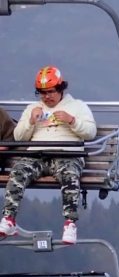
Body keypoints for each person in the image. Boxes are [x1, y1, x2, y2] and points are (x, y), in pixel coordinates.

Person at [0, 66, 96, 244]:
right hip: (37, 155)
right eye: (42, 93)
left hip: (66, 155)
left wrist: (72, 121)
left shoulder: (77, 106)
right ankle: (9, 219)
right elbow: (18, 137)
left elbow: (90, 132)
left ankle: (70, 223)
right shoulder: (32, 108)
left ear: (60, 89)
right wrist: (30, 121)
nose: (47, 97)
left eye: (50, 92)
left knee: (69, 176)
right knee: (18, 172)